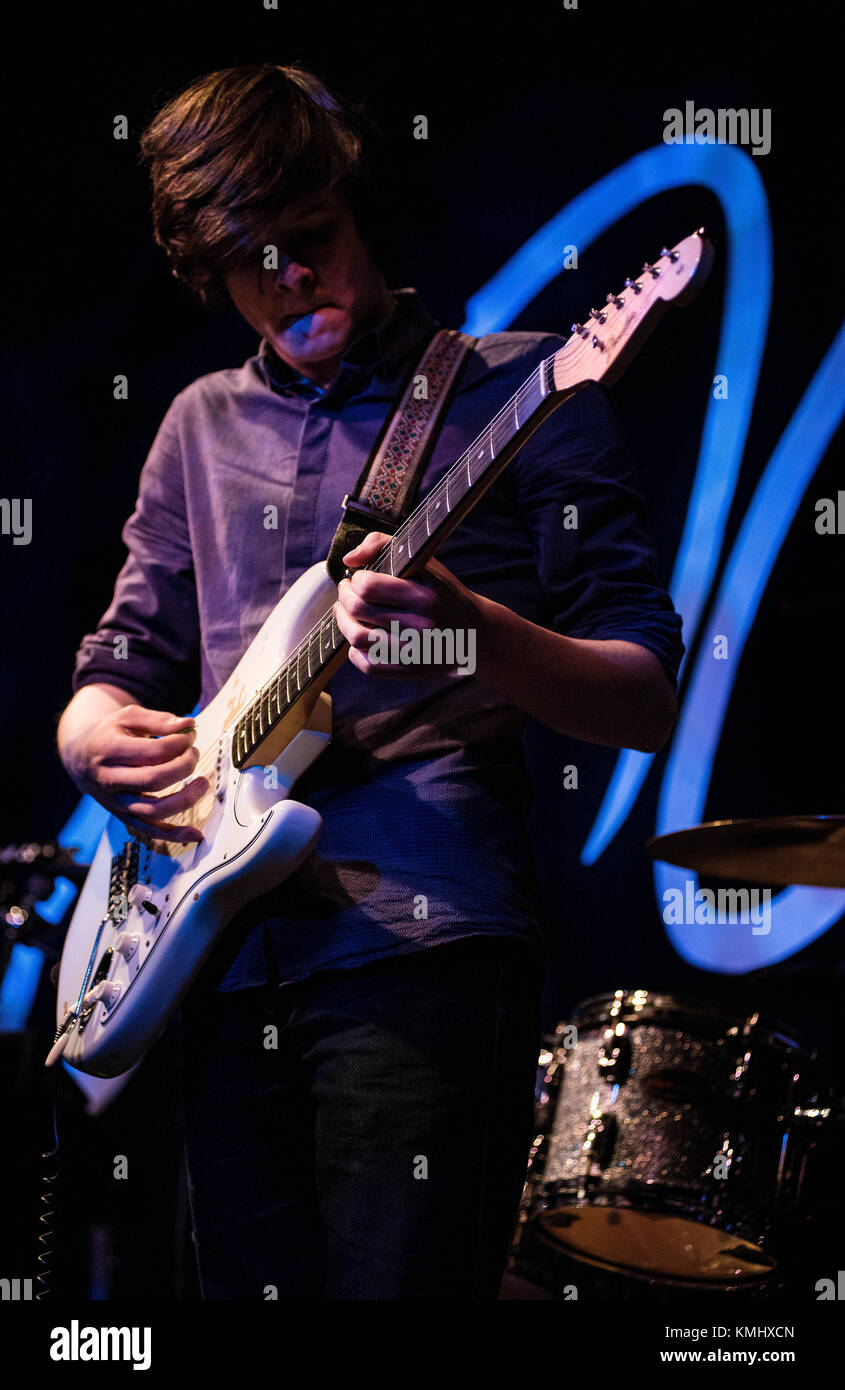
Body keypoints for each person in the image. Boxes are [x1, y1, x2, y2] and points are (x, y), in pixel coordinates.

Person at [56, 63, 683, 1300]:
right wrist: (87, 739)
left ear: (353, 205)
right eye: (253, 262)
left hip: (425, 945)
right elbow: (119, 661)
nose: (291, 277)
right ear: (206, 275)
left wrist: (476, 632)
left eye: (312, 237)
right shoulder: (195, 424)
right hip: (214, 952)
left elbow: (643, 693)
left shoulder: (521, 388)